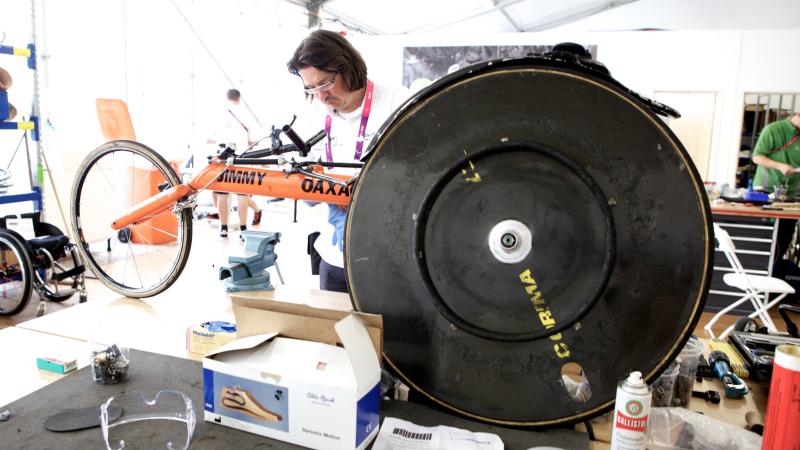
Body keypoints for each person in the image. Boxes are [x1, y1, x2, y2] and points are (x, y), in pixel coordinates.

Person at [288, 30, 409, 292]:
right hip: (334, 256)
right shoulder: (315, 114)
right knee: (339, 333)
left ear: (348, 67)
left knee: (384, 333)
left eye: (324, 84)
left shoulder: (396, 103)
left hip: (389, 259)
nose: (320, 96)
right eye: (310, 88)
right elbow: (304, 175)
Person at [210, 89, 263, 238]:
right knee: (242, 195)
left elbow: (212, 138)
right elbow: (254, 139)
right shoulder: (245, 114)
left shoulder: (218, 113)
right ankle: (243, 229)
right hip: (242, 158)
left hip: (222, 157)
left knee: (222, 195)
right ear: (238, 98)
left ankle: (224, 228)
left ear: (226, 98)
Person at [752, 111, 800, 273]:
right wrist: (780, 166)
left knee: (784, 238)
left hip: (792, 196)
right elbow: (757, 157)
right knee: (763, 238)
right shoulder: (773, 129)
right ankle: (760, 274)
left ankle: (773, 276)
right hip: (766, 191)